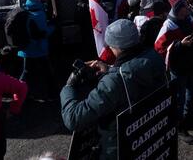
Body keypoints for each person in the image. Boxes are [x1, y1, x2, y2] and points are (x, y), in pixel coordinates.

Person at [60, 19, 166, 159]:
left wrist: (68, 87)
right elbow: (133, 73)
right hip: (149, 139)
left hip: (119, 149)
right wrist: (111, 70)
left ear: (116, 47)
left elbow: (74, 119)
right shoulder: (154, 57)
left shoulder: (114, 81)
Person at [154, 0, 193, 143]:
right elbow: (159, 48)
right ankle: (179, 127)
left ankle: (185, 117)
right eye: (184, 7)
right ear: (178, 9)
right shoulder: (169, 25)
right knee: (179, 98)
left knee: (191, 92)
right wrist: (180, 45)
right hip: (178, 68)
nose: (188, 8)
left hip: (190, 64)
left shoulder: (189, 20)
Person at [18, 0, 56, 102]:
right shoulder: (39, 14)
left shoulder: (27, 9)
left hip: (26, 47)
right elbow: (43, 33)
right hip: (38, 48)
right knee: (47, 72)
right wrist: (53, 25)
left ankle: (20, 93)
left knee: (27, 72)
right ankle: (52, 94)